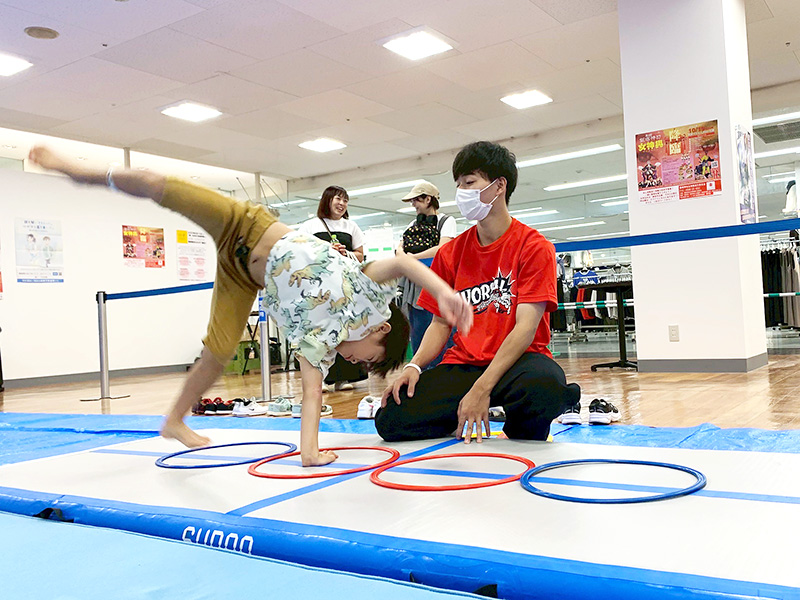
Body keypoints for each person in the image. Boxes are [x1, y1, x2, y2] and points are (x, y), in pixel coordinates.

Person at [27, 146, 473, 467]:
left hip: (242, 275)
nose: (354, 362)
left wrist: (310, 452)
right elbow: (402, 264)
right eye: (367, 359)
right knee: (158, 186)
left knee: (217, 351)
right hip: (245, 225)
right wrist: (447, 293)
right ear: (380, 330)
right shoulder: (367, 292)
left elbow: (312, 394)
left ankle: (173, 421)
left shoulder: (323, 342)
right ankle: (81, 171)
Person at [376, 141, 581, 444]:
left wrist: (482, 389)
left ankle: (534, 414)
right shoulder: (452, 252)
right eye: (459, 185)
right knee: (391, 419)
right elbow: (440, 323)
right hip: (464, 363)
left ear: (499, 186)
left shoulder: (534, 247)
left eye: (470, 183)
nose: (463, 193)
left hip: (517, 363)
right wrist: (414, 365)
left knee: (545, 385)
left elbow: (526, 327)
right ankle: (456, 416)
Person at [298, 186, 367, 392]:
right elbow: (301, 251)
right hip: (318, 288)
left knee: (344, 330)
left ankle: (344, 377)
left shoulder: (351, 226)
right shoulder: (310, 226)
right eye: (338, 199)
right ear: (327, 200)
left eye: (345, 200)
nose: (342, 204)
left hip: (344, 286)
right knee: (320, 331)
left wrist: (345, 253)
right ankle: (321, 378)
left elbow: (361, 255)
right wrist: (327, 250)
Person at [396, 180, 456, 367]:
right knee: (418, 331)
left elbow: (443, 248)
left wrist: (411, 258)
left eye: (416, 200)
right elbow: (400, 247)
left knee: (441, 330)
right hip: (415, 286)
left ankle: (443, 371)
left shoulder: (447, 221)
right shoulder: (413, 224)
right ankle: (420, 371)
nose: (413, 205)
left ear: (428, 199)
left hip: (437, 283)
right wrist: (403, 256)